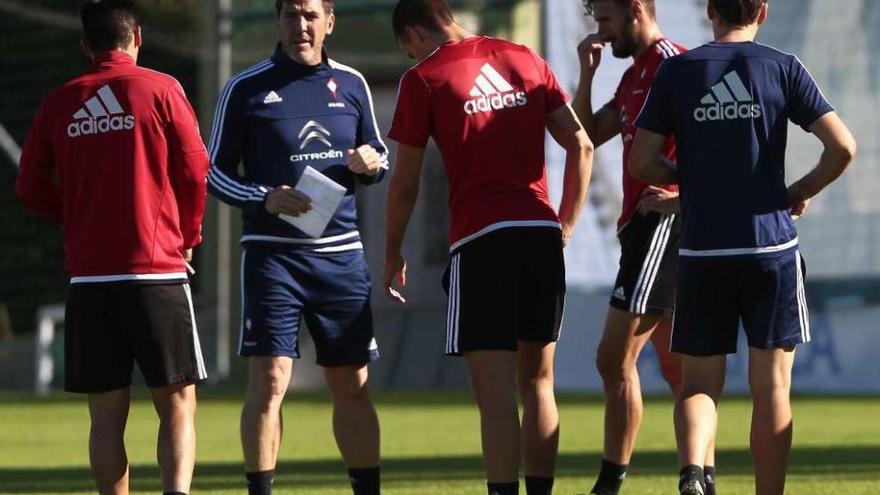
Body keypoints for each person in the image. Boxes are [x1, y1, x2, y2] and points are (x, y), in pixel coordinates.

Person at [629, 0, 857, 493]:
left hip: (703, 251)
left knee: (698, 385)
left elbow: (643, 160)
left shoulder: (678, 71)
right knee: (772, 387)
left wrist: (690, 187)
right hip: (769, 249)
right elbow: (843, 148)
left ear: (710, 10)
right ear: (764, 12)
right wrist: (798, 192)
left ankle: (693, 474)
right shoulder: (783, 67)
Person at [383, 2, 593, 494]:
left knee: (495, 393)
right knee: (539, 382)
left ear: (413, 34)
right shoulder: (524, 58)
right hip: (539, 234)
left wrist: (391, 251)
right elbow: (581, 147)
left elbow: (404, 184)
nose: (410, 55)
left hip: (481, 241)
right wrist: (564, 224)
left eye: (407, 47)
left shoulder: (424, 78)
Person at [15, 1, 209, 494]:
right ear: (137, 36)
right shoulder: (161, 89)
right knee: (177, 404)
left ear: (86, 45)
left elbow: (29, 187)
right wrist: (189, 236)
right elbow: (194, 170)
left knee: (105, 416)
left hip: (90, 279)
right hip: (156, 272)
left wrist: (78, 215)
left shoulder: (60, 102)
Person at [207, 1, 387, 493]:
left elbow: (379, 155)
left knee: (352, 384)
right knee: (269, 381)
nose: (300, 25)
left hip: (341, 256)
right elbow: (213, 172)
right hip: (273, 257)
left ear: (330, 21)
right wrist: (264, 197)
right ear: (278, 22)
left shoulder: (352, 84)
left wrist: (372, 161)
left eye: (310, 15)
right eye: (290, 14)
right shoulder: (245, 88)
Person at [572, 1, 717, 493]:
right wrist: (586, 76)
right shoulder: (635, 73)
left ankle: (609, 483)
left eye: (606, 20)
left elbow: (718, 136)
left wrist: (681, 194)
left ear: (636, 10)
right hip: (640, 228)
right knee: (680, 367)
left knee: (612, 359)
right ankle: (703, 477)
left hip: (663, 227)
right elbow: (588, 135)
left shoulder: (675, 65)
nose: (601, 32)